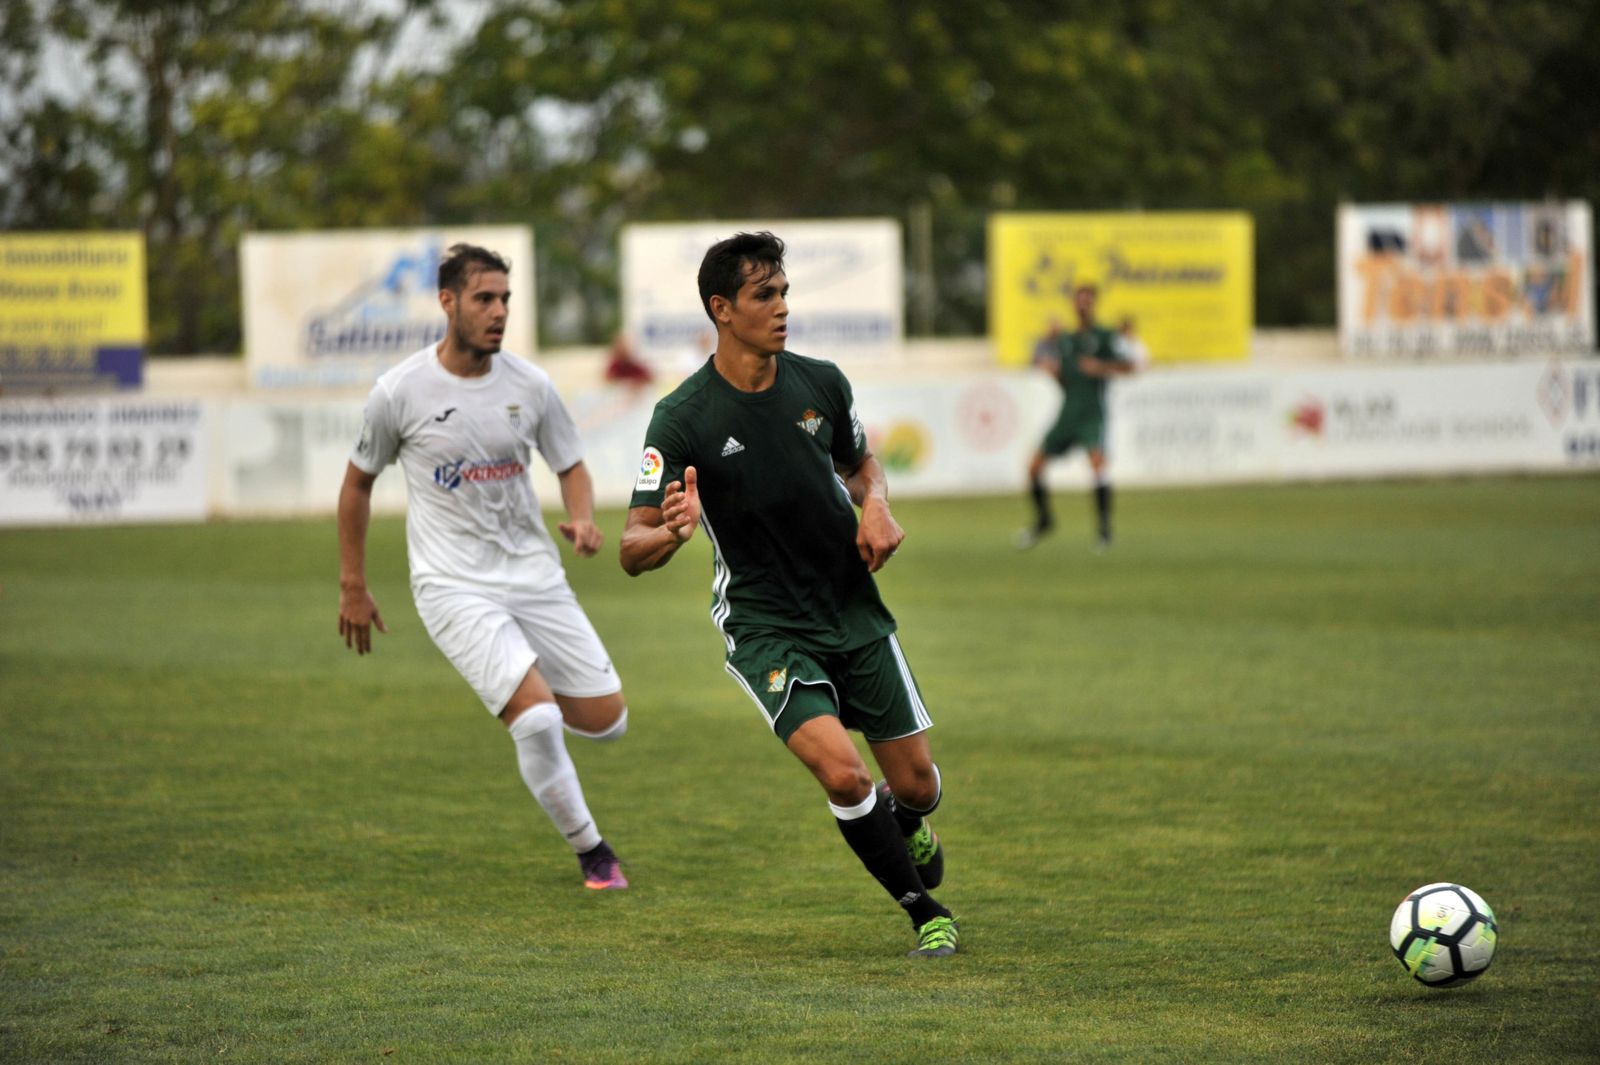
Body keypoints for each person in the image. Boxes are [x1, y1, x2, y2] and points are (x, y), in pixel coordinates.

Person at [618, 231, 959, 959]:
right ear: (722, 309)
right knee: (843, 771)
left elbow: (863, 464)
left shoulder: (822, 382)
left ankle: (909, 818)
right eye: (763, 295)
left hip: (852, 608)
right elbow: (630, 545)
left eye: (784, 293)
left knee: (919, 783)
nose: (781, 309)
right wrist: (671, 535)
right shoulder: (682, 418)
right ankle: (924, 909)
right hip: (767, 625)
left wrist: (877, 505)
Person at [337, 243, 631, 891]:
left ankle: (524, 699)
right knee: (538, 718)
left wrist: (582, 517)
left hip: (534, 573)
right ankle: (594, 852)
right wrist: (353, 585)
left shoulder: (530, 385)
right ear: (448, 303)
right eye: (484, 299)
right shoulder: (399, 391)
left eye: (504, 299)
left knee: (609, 720)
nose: (499, 312)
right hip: (452, 584)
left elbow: (570, 464)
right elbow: (356, 485)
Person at [1017, 283, 1137, 551]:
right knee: (1033, 466)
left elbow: (1130, 365)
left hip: (1092, 413)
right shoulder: (1066, 339)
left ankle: (1104, 530)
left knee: (1098, 465)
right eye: (1078, 300)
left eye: (1087, 300)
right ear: (1073, 304)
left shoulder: (1105, 336)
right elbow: (1060, 377)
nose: (1082, 305)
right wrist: (1052, 370)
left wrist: (1101, 367)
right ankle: (1044, 520)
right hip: (1068, 413)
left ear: (1094, 303)